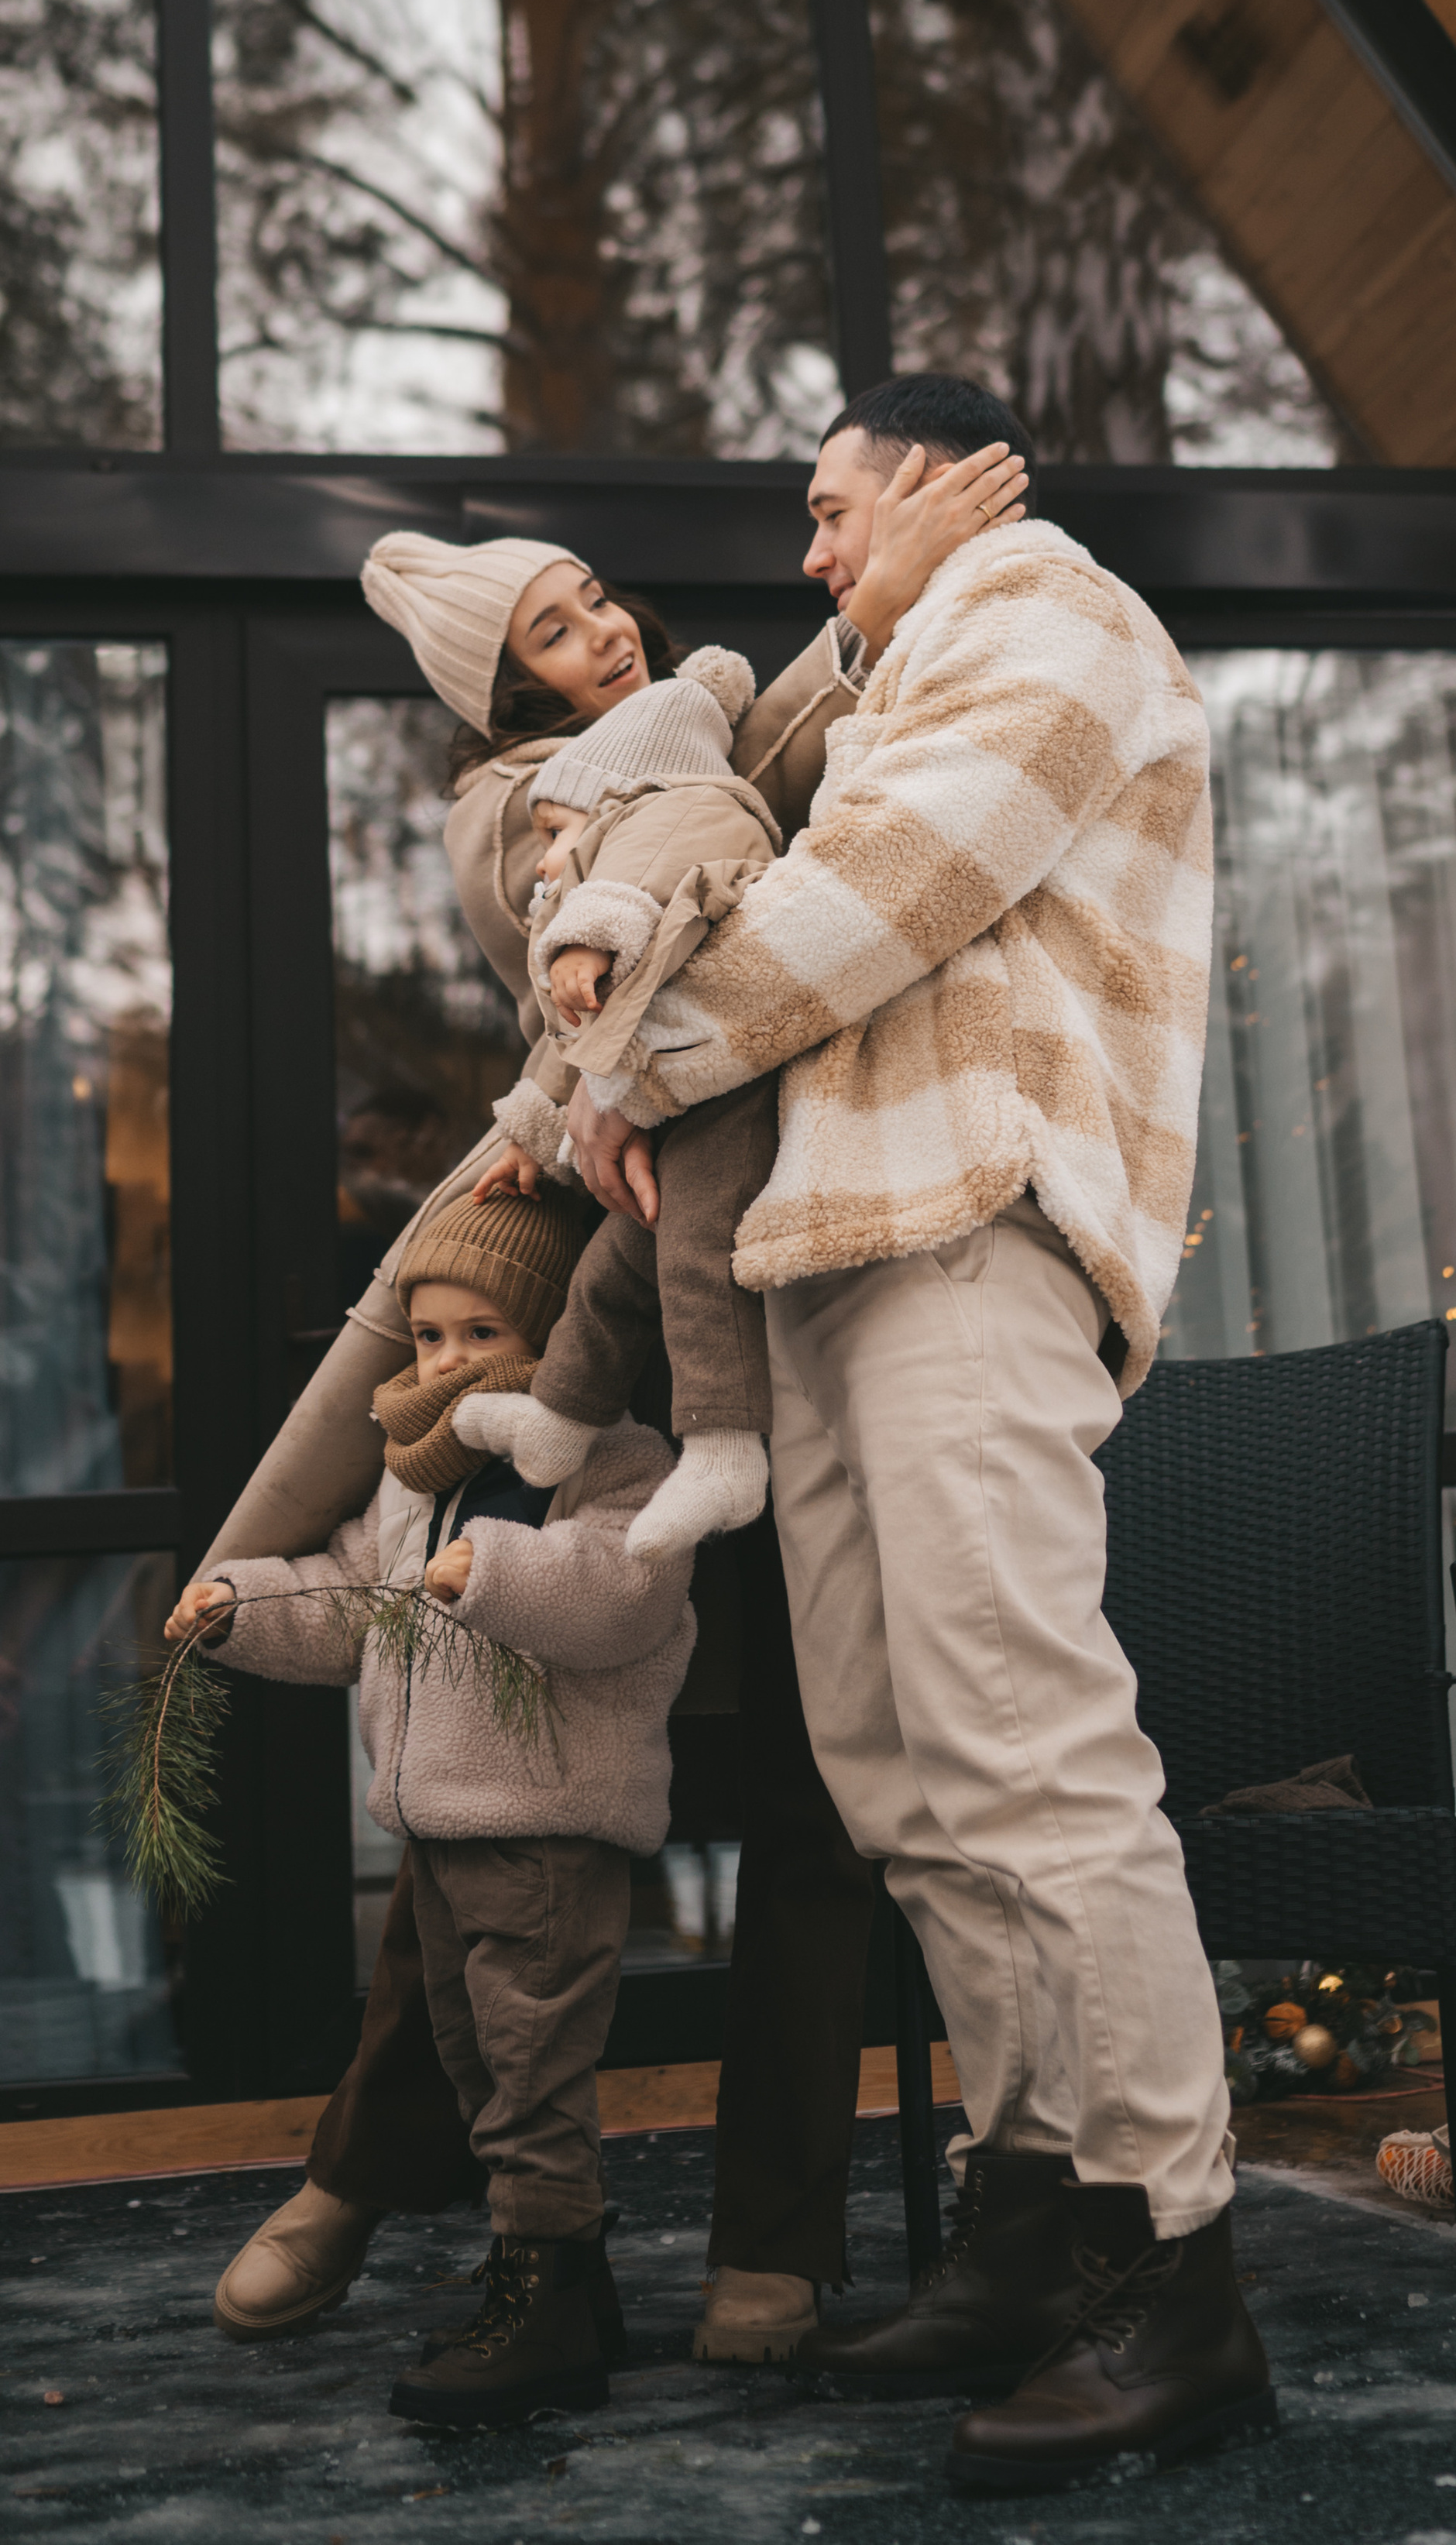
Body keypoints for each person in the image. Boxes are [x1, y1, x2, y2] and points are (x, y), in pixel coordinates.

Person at [195, 462, 1024, 2366]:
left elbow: (780, 740)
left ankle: (778, 2241)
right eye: (553, 624)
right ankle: (362, 2166)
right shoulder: (515, 807)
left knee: (818, 1802)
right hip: (587, 1364)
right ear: (499, 697)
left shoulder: (706, 741)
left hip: (774, 1321)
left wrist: (904, 582)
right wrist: (613, 1085)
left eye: (596, 596)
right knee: (484, 1809)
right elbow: (650, 822)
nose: (609, 628)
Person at [565, 373, 1274, 2492]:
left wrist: (626, 1065)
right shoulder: (901, 654)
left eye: (829, 509)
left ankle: (1180, 2276)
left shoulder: (1054, 618)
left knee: (1027, 1750)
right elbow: (739, 757)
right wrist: (872, 599)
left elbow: (884, 879)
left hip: (974, 1228)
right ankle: (1030, 2218)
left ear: (948, 487)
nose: (805, 552)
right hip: (838, 1260)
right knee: (905, 1776)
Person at [167, 1190, 692, 2429]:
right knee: (471, 2058)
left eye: (484, 1336)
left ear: (563, 1339)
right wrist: (242, 1602)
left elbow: (629, 1596)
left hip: (547, 1826)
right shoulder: (420, 1481)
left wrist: (497, 1570)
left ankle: (546, 2296)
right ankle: (570, 2274)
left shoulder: (615, 1461)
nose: (449, 1363)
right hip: (445, 1831)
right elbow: (355, 1598)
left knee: (531, 2069)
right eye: (430, 1338)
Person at [455, 641, 785, 1561]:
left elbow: (648, 873)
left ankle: (724, 1448)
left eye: (560, 828)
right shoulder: (630, 843)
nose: (549, 859)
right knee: (610, 1278)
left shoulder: (691, 808)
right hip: (677, 1109)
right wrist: (530, 1129)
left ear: (623, 796)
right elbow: (579, 1045)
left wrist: (587, 936)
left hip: (730, 1105)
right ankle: (560, 1416)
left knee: (694, 1262)